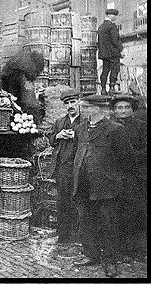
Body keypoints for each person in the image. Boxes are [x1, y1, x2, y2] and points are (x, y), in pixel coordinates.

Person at [72, 97, 136, 277]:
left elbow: (128, 161)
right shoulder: (80, 129)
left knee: (108, 224)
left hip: (106, 186)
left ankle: (110, 261)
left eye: (85, 106)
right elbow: (79, 152)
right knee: (86, 221)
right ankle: (90, 254)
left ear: (98, 109)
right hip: (83, 184)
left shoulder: (115, 130)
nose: (81, 109)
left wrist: (115, 180)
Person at [110, 95, 147, 260]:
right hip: (114, 176)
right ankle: (119, 249)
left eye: (126, 107)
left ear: (132, 110)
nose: (123, 111)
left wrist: (130, 157)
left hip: (135, 176)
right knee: (116, 212)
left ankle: (137, 249)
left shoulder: (141, 127)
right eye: (119, 108)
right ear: (114, 111)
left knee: (135, 211)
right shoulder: (108, 127)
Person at [48, 89, 84, 244]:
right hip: (63, 168)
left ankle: (79, 234)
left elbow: (91, 139)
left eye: (73, 102)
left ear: (79, 102)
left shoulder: (85, 121)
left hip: (80, 168)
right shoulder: (60, 122)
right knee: (63, 201)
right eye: (67, 103)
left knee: (79, 201)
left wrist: (76, 136)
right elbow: (50, 140)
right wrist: (58, 136)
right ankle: (63, 234)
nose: (70, 106)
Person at [97, 8, 124, 95]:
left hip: (104, 54)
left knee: (105, 71)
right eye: (115, 16)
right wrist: (121, 50)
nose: (116, 17)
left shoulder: (100, 27)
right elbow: (115, 40)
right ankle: (112, 88)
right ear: (110, 15)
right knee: (115, 69)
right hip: (113, 53)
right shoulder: (112, 26)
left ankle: (103, 89)